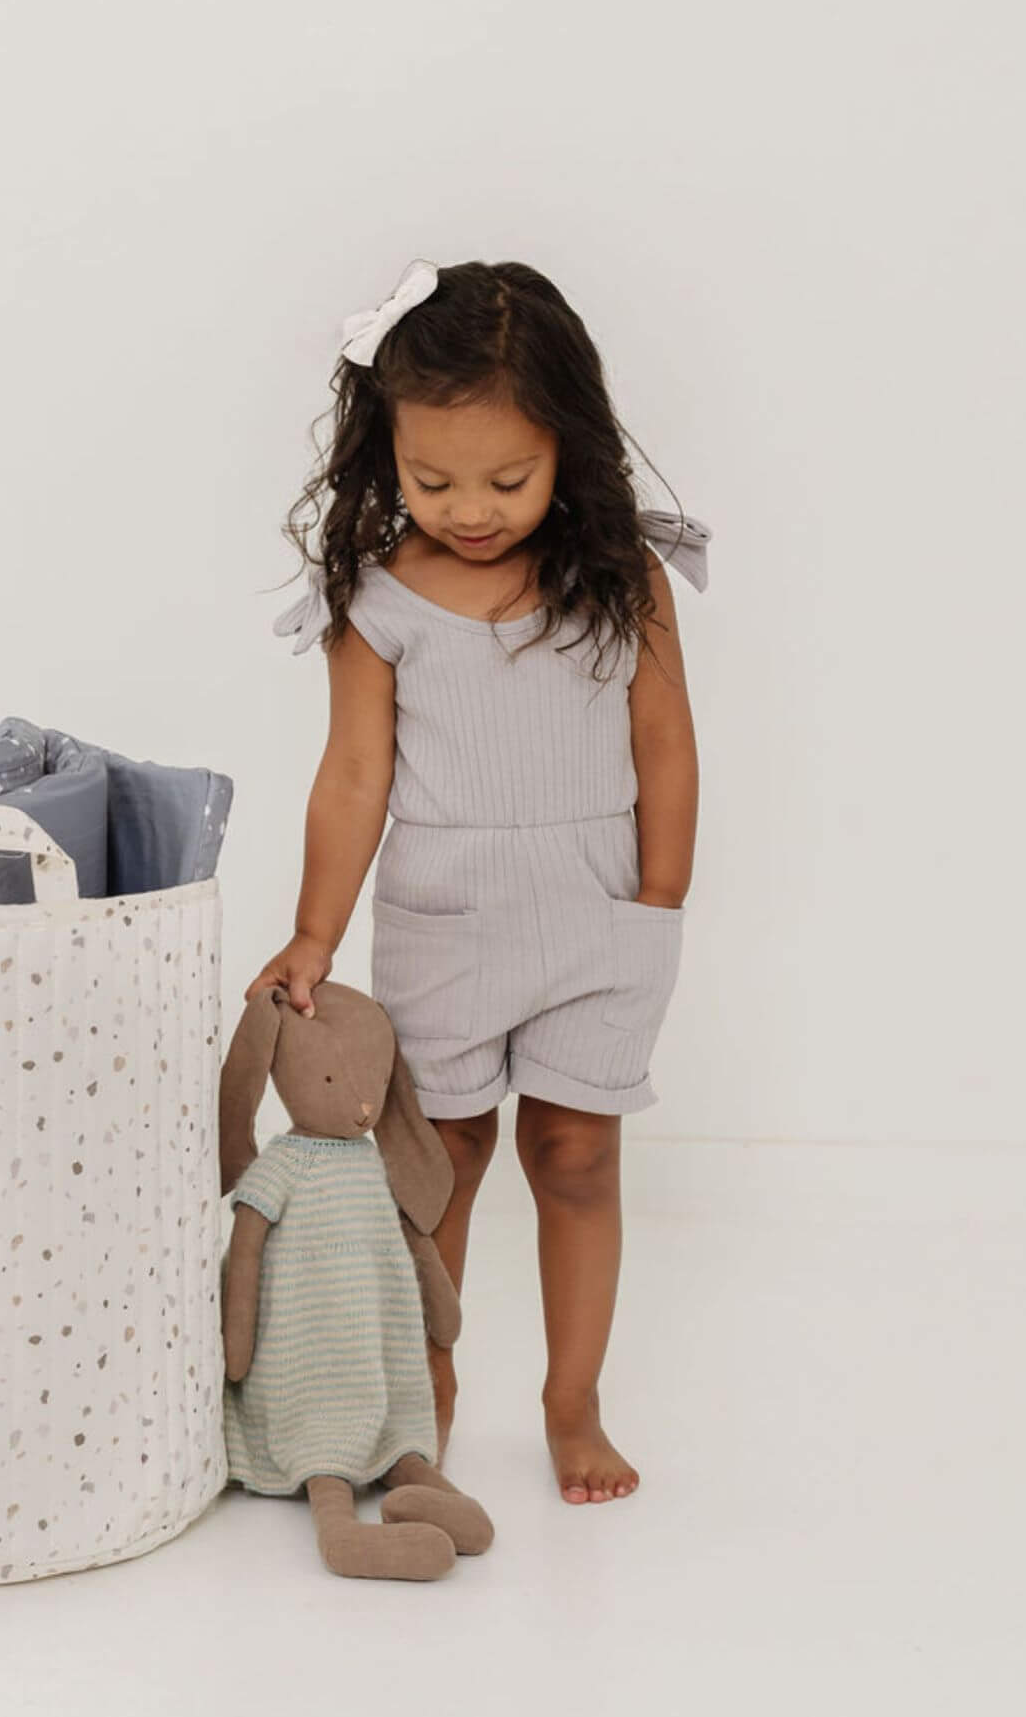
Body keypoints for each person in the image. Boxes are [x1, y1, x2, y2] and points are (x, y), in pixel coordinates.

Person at [246, 256, 711, 1506]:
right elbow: (352, 776)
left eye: (506, 479)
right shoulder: (379, 598)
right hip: (445, 918)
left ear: (567, 446)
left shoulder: (623, 578)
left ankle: (574, 1400)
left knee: (576, 1156)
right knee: (442, 1158)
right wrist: (312, 934)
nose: (470, 509)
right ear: (382, 452)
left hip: (598, 908)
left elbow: (664, 735)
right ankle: (426, 1392)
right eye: (430, 479)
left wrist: (658, 895)